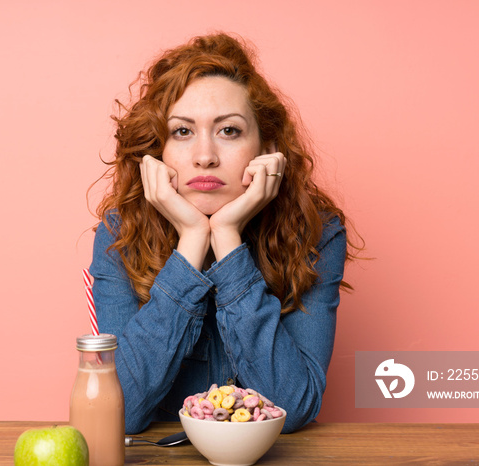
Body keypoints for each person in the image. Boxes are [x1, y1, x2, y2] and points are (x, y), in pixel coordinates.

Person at [89, 32, 357, 434]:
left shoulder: (318, 235)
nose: (205, 156)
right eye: (182, 132)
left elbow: (295, 406)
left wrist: (228, 238)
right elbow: (117, 414)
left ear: (267, 147)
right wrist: (193, 241)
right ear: (156, 151)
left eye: (228, 131)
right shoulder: (119, 234)